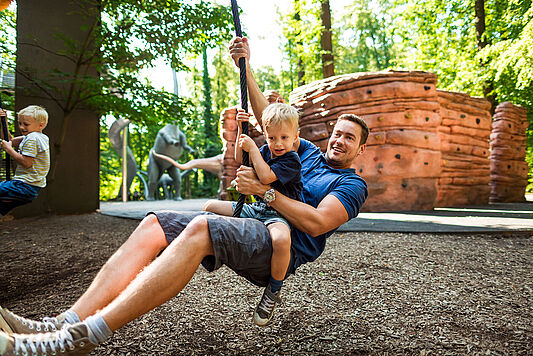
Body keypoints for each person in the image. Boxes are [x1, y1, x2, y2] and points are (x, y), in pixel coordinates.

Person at [0, 37, 368, 356]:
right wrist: (246, 66)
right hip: (254, 221)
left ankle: (80, 338)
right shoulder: (302, 151)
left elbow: (318, 223)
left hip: (278, 247)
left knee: (202, 227)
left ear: (361, 150)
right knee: (155, 223)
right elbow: (269, 118)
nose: (339, 140)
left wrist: (265, 192)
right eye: (337, 133)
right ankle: (64, 322)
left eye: (349, 138)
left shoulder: (352, 187)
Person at [203, 102, 303, 326]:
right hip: (257, 208)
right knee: (210, 207)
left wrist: (256, 149)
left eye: (284, 138)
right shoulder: (267, 150)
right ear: (266, 135)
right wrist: (241, 127)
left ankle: (273, 291)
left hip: (279, 213)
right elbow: (241, 157)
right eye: (271, 138)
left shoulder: (291, 160)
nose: (277, 144)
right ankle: (204, 250)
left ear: (296, 137)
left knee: (281, 239)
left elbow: (266, 177)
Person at [0, 105, 50, 216]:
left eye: (26, 124)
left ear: (41, 125)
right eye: (20, 123)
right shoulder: (41, 137)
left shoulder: (33, 138)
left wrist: (9, 149)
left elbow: (26, 163)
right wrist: (4, 121)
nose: (22, 127)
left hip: (23, 186)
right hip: (31, 189)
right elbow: (9, 140)